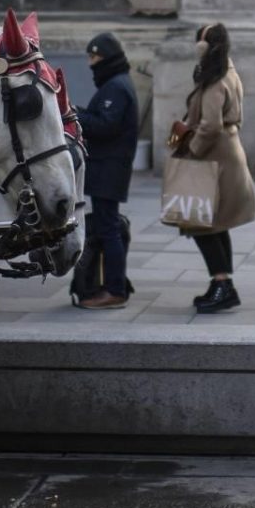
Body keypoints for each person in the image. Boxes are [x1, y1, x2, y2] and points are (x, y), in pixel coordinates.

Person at [177, 23, 255, 314]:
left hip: (214, 157)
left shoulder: (215, 79)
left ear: (204, 46)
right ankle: (222, 283)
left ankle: (222, 284)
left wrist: (191, 148)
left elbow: (210, 125)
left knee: (202, 223)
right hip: (225, 153)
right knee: (215, 222)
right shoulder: (227, 72)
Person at [73, 31, 141, 310]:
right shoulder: (116, 83)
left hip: (109, 167)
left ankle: (114, 289)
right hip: (107, 166)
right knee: (105, 225)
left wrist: (75, 114)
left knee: (109, 227)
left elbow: (105, 126)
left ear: (107, 57)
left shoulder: (116, 87)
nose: (91, 63)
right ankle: (112, 285)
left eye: (94, 56)